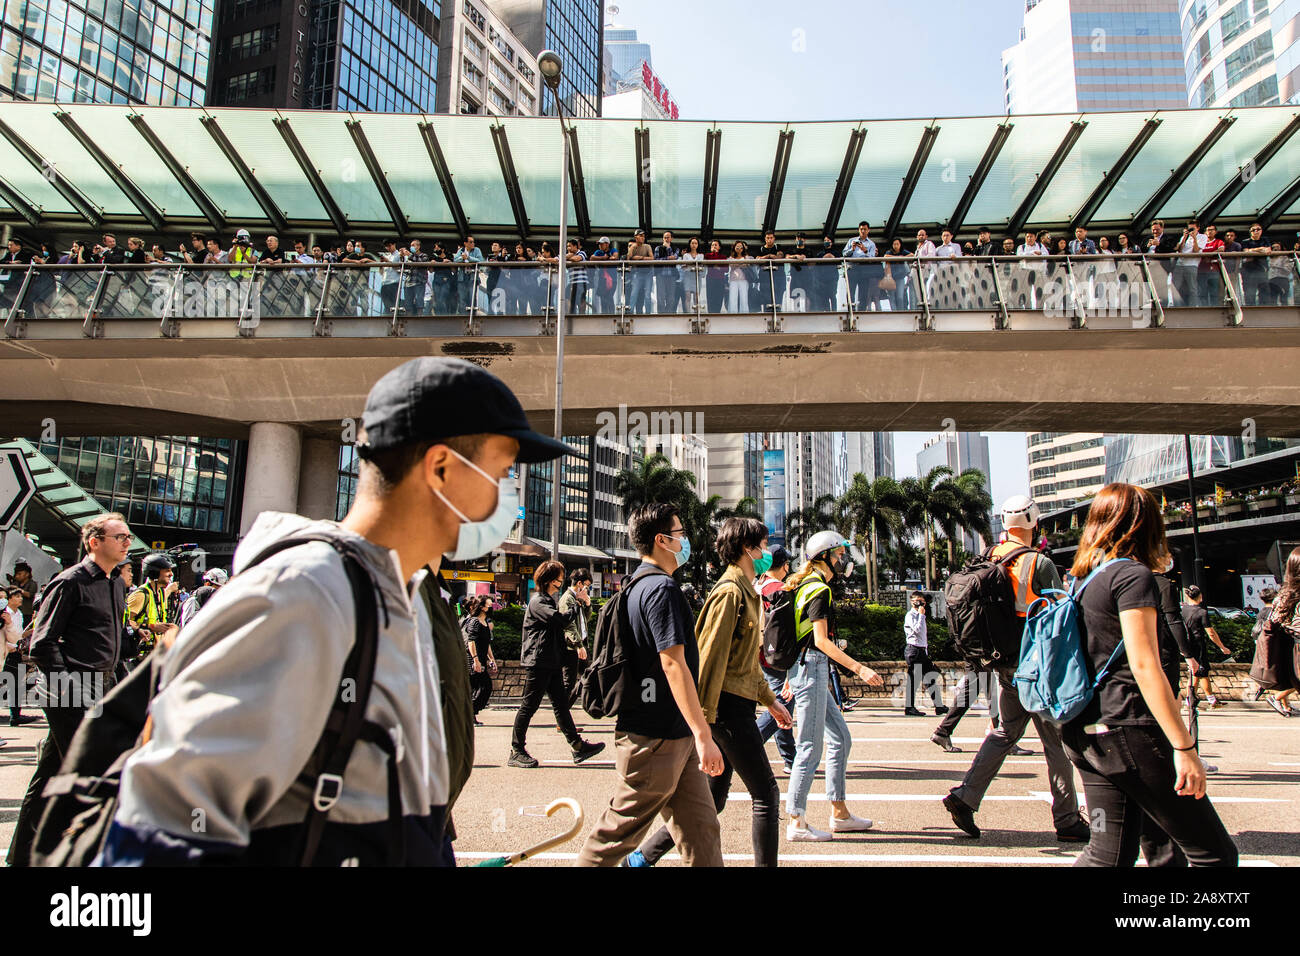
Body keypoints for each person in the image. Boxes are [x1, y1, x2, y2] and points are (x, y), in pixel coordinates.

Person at [99, 357, 574, 866]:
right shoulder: (304, 591)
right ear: (440, 468)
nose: (511, 499)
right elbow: (157, 840)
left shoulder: (406, 595)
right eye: (502, 473)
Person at [1062, 483, 1238, 867]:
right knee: (1214, 855)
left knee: (1110, 856)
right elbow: (1144, 665)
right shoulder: (1131, 576)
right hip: (1130, 731)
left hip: (1085, 728)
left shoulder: (1081, 581)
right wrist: (1184, 747)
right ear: (1146, 525)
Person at [627, 518, 791, 867]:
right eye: (762, 545)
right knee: (766, 794)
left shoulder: (747, 591)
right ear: (747, 548)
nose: (765, 552)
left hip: (737, 705)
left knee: (710, 800)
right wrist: (703, 728)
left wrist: (771, 701)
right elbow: (708, 659)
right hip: (727, 710)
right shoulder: (729, 592)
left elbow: (744, 665)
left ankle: (641, 858)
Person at [576, 503, 724, 867]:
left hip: (673, 735)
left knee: (701, 832)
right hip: (655, 739)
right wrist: (704, 735)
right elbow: (673, 665)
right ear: (662, 540)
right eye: (680, 533)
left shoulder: (637, 586)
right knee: (614, 837)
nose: (685, 540)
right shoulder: (660, 589)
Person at [943, 495, 1091, 843]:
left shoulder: (989, 557)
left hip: (1003, 664)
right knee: (1056, 743)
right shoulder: (1038, 563)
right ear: (1033, 522)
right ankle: (1067, 820)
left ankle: (965, 796)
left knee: (1006, 732)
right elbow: (1061, 618)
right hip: (1036, 666)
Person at [8, 512, 131, 867]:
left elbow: (110, 646)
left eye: (126, 537)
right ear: (95, 542)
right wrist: (70, 687)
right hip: (70, 692)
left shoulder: (115, 583)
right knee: (93, 773)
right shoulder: (70, 582)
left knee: (52, 775)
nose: (126, 542)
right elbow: (43, 644)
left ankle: (24, 857)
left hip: (100, 688)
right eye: (119, 537)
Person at [785, 530, 883, 842]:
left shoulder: (809, 586)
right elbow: (820, 641)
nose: (843, 560)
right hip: (811, 668)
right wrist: (859, 667)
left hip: (808, 668)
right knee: (809, 748)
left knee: (840, 738)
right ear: (824, 557)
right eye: (839, 554)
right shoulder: (818, 590)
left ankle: (839, 813)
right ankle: (796, 821)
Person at [509, 561, 604, 768]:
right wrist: (578, 602)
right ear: (550, 580)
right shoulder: (538, 602)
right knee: (529, 705)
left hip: (550, 660)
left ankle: (578, 747)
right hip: (539, 660)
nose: (562, 581)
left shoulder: (547, 600)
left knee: (561, 705)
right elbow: (560, 620)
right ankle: (516, 750)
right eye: (559, 577)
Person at [755, 546, 797, 772]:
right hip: (777, 658)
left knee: (781, 702)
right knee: (783, 701)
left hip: (758, 654)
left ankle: (791, 758)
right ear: (783, 566)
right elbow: (787, 632)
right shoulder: (781, 590)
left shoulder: (757, 586)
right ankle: (750, 746)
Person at [1254, 551, 1300, 715]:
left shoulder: (1283, 597)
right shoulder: (1286, 597)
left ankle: (1279, 699)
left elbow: (1273, 625)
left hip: (1293, 656)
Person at [1181, 585, 1231, 710]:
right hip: (1198, 645)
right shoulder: (1201, 612)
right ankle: (1190, 700)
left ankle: (1210, 699)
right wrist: (1222, 647)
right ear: (1200, 597)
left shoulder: (1183, 610)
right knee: (1197, 672)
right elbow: (1211, 633)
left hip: (1187, 645)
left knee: (1200, 672)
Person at [903, 592, 948, 717]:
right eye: (917, 601)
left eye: (922, 601)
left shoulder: (920, 615)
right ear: (912, 602)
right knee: (915, 681)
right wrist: (921, 616)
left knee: (930, 678)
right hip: (914, 651)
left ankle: (939, 706)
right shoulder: (910, 615)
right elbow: (916, 630)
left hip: (920, 651)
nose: (919, 603)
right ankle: (910, 708)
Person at [1, 586, 37, 728]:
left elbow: (17, 634)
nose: (20, 598)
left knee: (16, 685)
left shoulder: (18, 614)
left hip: (15, 651)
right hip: (7, 652)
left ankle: (15, 715)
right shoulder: (5, 613)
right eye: (16, 596)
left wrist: (31, 630)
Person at [557, 568, 593, 706]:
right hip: (571, 647)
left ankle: (565, 714)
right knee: (569, 682)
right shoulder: (567, 599)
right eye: (586, 586)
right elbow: (569, 625)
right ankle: (563, 718)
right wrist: (578, 645)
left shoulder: (577, 599)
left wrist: (588, 604)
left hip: (581, 644)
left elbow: (585, 620)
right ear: (579, 584)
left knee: (586, 677)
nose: (587, 589)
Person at [461, 595, 496, 722]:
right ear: (482, 607)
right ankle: (469, 712)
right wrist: (475, 659)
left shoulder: (485, 623)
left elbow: (487, 644)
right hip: (473, 660)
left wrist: (492, 659)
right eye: (489, 606)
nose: (491, 608)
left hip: (481, 659)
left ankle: (470, 714)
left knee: (479, 688)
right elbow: (471, 641)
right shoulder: (475, 622)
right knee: (483, 687)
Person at [842, 221, 881, 312]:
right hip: (852, 267)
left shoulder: (871, 244)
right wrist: (852, 249)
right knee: (850, 290)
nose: (863, 231)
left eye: (865, 229)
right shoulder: (851, 241)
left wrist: (865, 250)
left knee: (863, 291)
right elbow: (844, 254)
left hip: (865, 268)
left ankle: (861, 311)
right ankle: (850, 309)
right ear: (859, 230)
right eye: (861, 229)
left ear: (868, 230)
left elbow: (872, 258)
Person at [1238, 222, 1270, 306]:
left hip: (1262, 268)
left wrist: (1252, 250)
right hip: (1248, 270)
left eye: (1258, 229)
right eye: (1253, 230)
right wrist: (1260, 249)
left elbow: (1268, 250)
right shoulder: (1245, 241)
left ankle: (1264, 309)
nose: (1256, 231)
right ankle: (1250, 309)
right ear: (1250, 232)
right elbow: (1246, 251)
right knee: (1249, 292)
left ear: (1261, 231)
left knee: (1264, 290)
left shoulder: (1265, 239)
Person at [654, 231, 683, 313]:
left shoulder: (676, 248)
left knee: (671, 298)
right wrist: (668, 258)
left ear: (671, 238)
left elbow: (675, 258)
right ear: (663, 238)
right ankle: (661, 315)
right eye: (665, 237)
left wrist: (668, 248)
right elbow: (656, 260)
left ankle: (668, 314)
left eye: (668, 237)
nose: (666, 239)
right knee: (660, 297)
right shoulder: (658, 248)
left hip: (672, 276)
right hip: (661, 275)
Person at [626, 229, 654, 314]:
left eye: (643, 236)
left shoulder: (647, 246)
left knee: (647, 295)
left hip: (648, 273)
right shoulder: (633, 247)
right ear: (636, 237)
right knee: (634, 294)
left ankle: (648, 313)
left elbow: (652, 258)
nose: (643, 238)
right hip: (638, 273)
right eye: (640, 236)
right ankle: (630, 312)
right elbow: (628, 259)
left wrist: (640, 258)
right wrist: (632, 249)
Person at [703, 238, 727, 314]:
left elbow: (726, 269)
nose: (714, 246)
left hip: (720, 280)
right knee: (710, 297)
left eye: (716, 245)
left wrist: (718, 267)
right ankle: (711, 313)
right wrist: (714, 254)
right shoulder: (707, 255)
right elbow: (708, 264)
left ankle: (717, 313)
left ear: (719, 247)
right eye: (712, 245)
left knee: (719, 297)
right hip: (710, 279)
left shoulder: (723, 257)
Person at [727, 240, 750, 313]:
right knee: (733, 298)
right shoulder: (731, 257)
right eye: (737, 246)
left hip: (744, 279)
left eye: (741, 247)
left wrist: (736, 264)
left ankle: (744, 314)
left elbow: (747, 265)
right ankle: (732, 314)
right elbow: (731, 265)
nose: (739, 248)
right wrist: (741, 264)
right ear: (734, 248)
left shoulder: (746, 257)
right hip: (733, 280)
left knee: (744, 298)